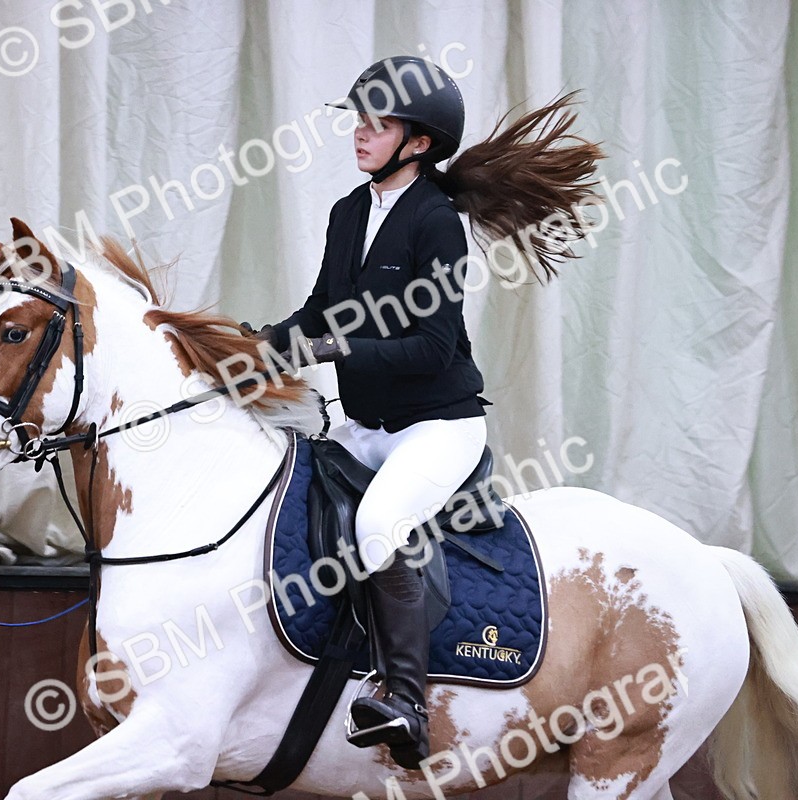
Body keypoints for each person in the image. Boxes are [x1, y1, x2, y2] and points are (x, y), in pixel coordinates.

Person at [243, 56, 602, 770]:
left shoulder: (437, 222)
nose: (361, 133)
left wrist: (328, 348)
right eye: (359, 120)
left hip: (437, 426)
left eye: (380, 123)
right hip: (366, 425)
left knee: (379, 525)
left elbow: (432, 347)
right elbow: (320, 309)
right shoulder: (349, 211)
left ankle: (405, 701)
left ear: (418, 143)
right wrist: (255, 346)